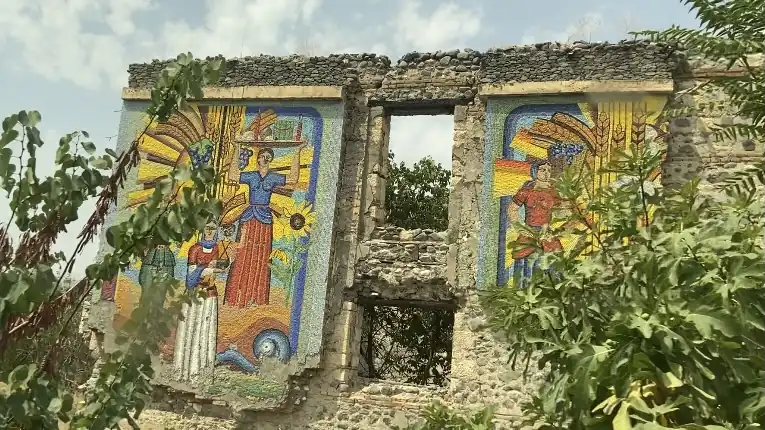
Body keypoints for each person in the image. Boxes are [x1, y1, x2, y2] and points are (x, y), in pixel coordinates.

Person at [224, 140, 306, 307]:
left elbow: (292, 178)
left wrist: (297, 152)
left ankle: (256, 297)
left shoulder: (273, 177)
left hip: (265, 219)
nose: (264, 158)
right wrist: (237, 148)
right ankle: (237, 296)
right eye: (262, 156)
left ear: (270, 159)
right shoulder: (252, 176)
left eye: (267, 156)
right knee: (243, 254)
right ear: (258, 159)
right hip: (249, 217)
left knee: (261, 258)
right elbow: (233, 175)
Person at [173, 221, 222, 383]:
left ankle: (203, 373)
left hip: (209, 293)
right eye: (207, 228)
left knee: (206, 332)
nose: (210, 231)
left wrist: (215, 270)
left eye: (213, 228)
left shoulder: (216, 248)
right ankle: (186, 371)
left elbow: (214, 272)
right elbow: (191, 274)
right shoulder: (195, 249)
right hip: (195, 294)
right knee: (191, 330)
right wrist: (211, 269)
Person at [506, 161, 563, 287]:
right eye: (543, 170)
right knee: (527, 266)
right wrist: (521, 229)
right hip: (530, 232)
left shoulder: (553, 192)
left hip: (546, 234)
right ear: (535, 172)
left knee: (554, 266)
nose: (546, 173)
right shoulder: (526, 191)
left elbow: (560, 212)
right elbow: (511, 209)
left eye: (549, 170)